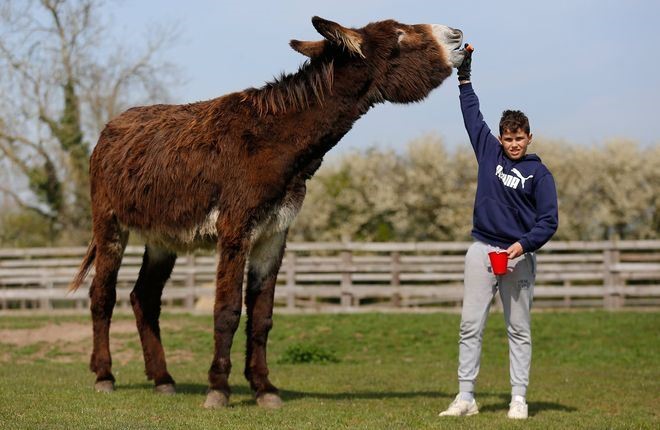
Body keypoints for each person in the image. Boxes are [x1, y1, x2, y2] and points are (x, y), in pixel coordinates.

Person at [439, 45, 559, 420]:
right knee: (469, 325)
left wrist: (523, 246)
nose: (513, 143)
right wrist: (464, 77)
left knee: (518, 329)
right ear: (502, 138)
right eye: (508, 137)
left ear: (529, 137)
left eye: (519, 137)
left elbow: (549, 221)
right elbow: (472, 115)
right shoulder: (489, 153)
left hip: (517, 257)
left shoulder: (540, 175)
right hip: (482, 252)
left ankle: (518, 399)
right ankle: (466, 397)